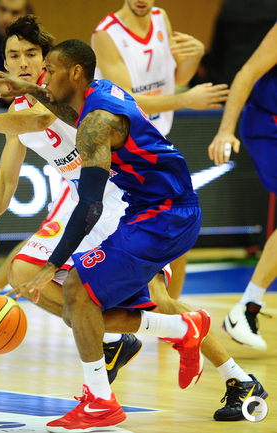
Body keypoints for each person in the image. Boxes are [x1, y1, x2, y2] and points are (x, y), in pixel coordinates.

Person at [0, 30, 267, 424]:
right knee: (29, 275)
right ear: (4, 64)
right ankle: (114, 344)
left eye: (32, 55)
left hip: (124, 201)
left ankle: (235, 376)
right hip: (92, 200)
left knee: (152, 298)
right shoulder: (26, 106)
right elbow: (7, 176)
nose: (23, 63)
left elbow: (40, 117)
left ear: (50, 62)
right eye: (14, 55)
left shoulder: (71, 100)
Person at [91, 0, 230, 300]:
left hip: (156, 144)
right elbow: (125, 101)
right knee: (125, 239)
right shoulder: (106, 34)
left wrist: (196, 56)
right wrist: (186, 100)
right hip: (125, 151)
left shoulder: (160, 17)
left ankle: (171, 318)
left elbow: (176, 79)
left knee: (178, 234)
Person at [208, 22, 277, 352]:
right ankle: (246, 309)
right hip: (267, 125)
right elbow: (247, 73)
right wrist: (225, 130)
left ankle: (247, 308)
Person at [209, 0, 277, 87]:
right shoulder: (273, 6)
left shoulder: (230, 5)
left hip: (232, 74)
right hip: (266, 77)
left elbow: (218, 48)